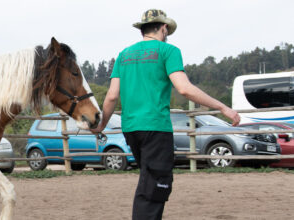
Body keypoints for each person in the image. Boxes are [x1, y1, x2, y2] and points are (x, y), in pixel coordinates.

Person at [90, 9, 240, 220]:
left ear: (142, 29)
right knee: (156, 185)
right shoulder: (168, 51)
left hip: (131, 128)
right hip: (156, 127)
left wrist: (101, 124)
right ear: (163, 28)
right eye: (167, 29)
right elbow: (184, 89)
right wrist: (223, 108)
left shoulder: (124, 55)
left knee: (149, 180)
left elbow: (112, 96)